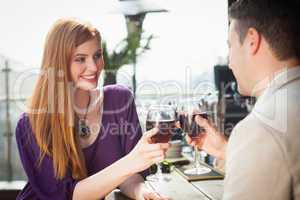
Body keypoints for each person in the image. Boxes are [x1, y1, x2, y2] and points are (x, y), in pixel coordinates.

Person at [16, 18, 170, 200]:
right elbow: (65, 196)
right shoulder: (32, 124)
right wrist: (131, 162)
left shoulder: (120, 100)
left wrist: (143, 193)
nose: (94, 67)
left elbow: (129, 177)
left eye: (97, 55)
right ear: (59, 63)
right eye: (81, 59)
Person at [186, 0, 300, 199]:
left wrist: (244, 142)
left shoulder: (260, 128)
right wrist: (224, 149)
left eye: (230, 46)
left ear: (251, 41)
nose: (229, 63)